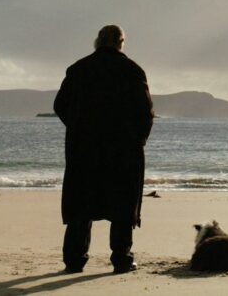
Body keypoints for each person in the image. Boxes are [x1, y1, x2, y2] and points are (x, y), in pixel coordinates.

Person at [53, 25, 154, 274]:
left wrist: (78, 127)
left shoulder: (78, 69)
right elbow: (146, 112)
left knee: (81, 203)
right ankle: (122, 259)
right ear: (121, 42)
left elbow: (60, 105)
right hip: (123, 149)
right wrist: (138, 139)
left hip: (84, 147)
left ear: (98, 41)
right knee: (122, 205)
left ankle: (74, 260)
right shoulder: (132, 70)